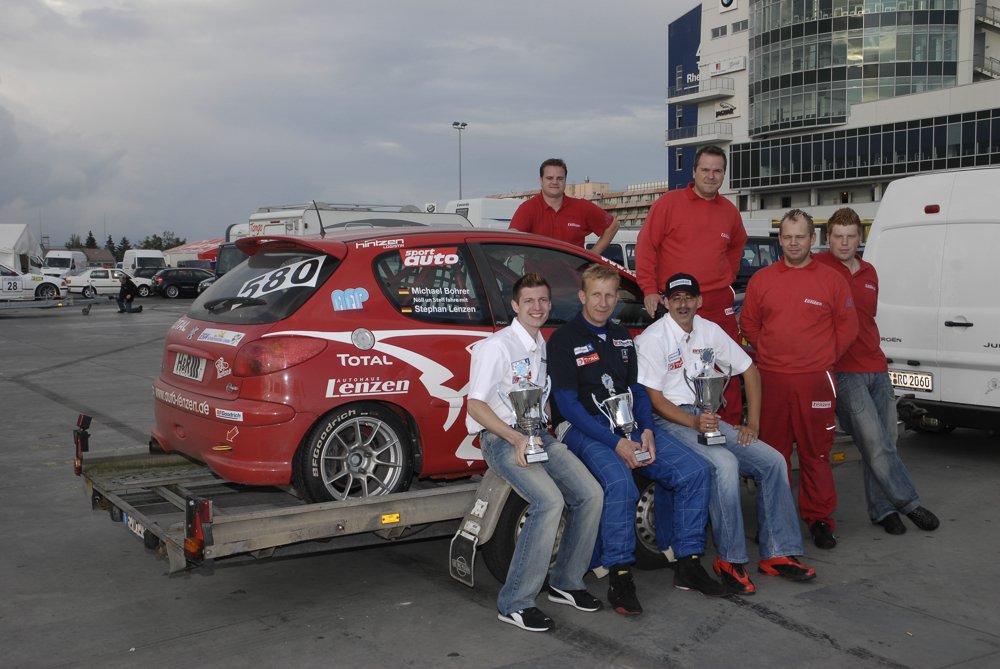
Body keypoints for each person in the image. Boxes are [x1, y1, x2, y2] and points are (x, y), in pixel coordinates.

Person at [546, 263, 724, 616]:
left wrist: (645, 430)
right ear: (582, 296)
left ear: (617, 298)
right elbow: (567, 406)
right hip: (581, 428)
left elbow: (638, 390)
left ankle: (688, 563)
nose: (603, 302)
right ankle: (620, 575)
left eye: (610, 295)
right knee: (621, 483)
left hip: (626, 425)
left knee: (695, 472)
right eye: (596, 294)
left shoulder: (623, 337)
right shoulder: (564, 339)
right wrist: (616, 443)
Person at [636, 272, 816, 595]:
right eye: (675, 298)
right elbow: (655, 400)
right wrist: (693, 423)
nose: (682, 304)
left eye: (688, 298)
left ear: (699, 300)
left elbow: (750, 370)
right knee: (725, 464)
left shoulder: (709, 330)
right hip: (670, 420)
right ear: (665, 302)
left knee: (773, 461)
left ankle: (778, 552)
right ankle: (730, 560)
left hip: (706, 417)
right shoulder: (653, 338)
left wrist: (753, 424)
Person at [466, 272, 603, 633]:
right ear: (515, 305)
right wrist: (515, 439)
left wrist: (544, 430)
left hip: (537, 435)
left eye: (543, 300)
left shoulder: (541, 343)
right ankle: (516, 602)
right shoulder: (497, 346)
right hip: (500, 439)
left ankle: (566, 582)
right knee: (549, 502)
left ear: (550, 304)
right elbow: (476, 406)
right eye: (529, 301)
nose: (537, 307)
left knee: (591, 494)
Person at [813, 208, 940, 535]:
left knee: (887, 441)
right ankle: (909, 503)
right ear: (828, 238)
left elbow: (867, 320)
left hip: (876, 366)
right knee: (872, 441)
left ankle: (883, 510)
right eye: (838, 237)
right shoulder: (818, 269)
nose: (844, 243)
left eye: (851, 236)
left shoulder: (870, 272)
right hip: (845, 371)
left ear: (860, 237)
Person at [741, 209, 858, 550]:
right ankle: (773, 519)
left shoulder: (831, 280)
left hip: (815, 381)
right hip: (773, 380)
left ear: (813, 239)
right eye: (788, 237)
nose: (794, 243)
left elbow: (847, 327)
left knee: (815, 453)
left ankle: (819, 520)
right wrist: (772, 352)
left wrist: (821, 358)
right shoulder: (762, 280)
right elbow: (749, 324)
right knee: (773, 455)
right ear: (780, 239)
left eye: (800, 237)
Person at [635, 145, 747, 426]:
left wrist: (725, 276)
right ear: (694, 172)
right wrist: (649, 288)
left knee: (727, 370)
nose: (711, 176)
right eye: (705, 170)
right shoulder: (668, 204)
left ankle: (728, 429)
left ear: (724, 174)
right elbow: (646, 246)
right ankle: (685, 427)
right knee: (679, 371)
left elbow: (737, 246)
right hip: (679, 302)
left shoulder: (730, 212)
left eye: (717, 171)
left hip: (716, 303)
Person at [509, 158, 619, 254]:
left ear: (565, 180)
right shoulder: (528, 208)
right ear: (541, 180)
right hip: (537, 272)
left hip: (574, 272)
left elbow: (613, 225)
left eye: (560, 178)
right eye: (549, 178)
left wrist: (593, 255)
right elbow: (511, 239)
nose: (555, 182)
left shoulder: (581, 207)